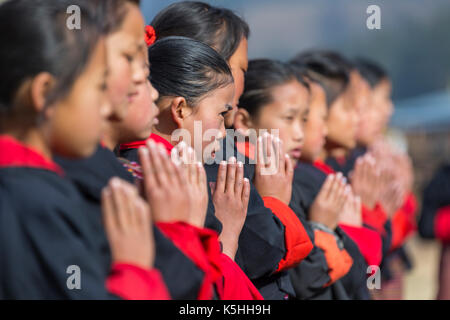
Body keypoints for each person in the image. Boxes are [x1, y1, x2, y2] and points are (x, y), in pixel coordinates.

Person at [0, 0, 168, 299]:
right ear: (45, 93)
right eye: (98, 87)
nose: (106, 107)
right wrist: (134, 269)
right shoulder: (38, 203)